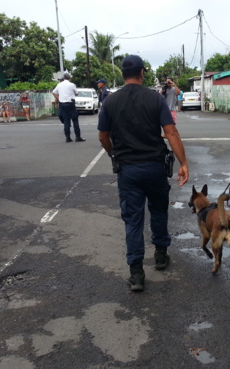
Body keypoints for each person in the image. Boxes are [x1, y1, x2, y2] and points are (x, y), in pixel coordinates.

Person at [98, 55, 189, 292]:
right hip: (154, 166)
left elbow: (103, 136)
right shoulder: (154, 98)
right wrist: (183, 163)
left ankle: (136, 272)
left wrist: (114, 155)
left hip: (128, 169)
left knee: (133, 219)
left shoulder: (110, 101)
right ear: (142, 73)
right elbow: (171, 132)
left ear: (123, 75)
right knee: (158, 210)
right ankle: (160, 255)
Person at [53, 73, 84, 142]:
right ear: (69, 78)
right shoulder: (71, 84)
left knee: (66, 121)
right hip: (70, 104)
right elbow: (76, 93)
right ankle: (78, 137)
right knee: (75, 121)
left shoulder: (59, 85)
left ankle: (68, 137)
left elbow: (54, 92)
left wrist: (59, 97)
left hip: (62, 104)